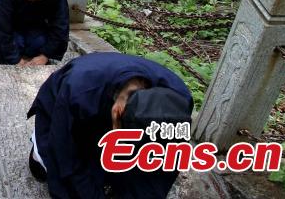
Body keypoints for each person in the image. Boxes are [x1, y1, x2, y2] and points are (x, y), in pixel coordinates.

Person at [27, 52, 193, 199]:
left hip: (109, 106)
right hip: (64, 109)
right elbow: (65, 154)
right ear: (117, 112)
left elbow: (168, 164)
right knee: (57, 177)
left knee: (135, 181)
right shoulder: (78, 90)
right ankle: (39, 150)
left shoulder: (180, 100)